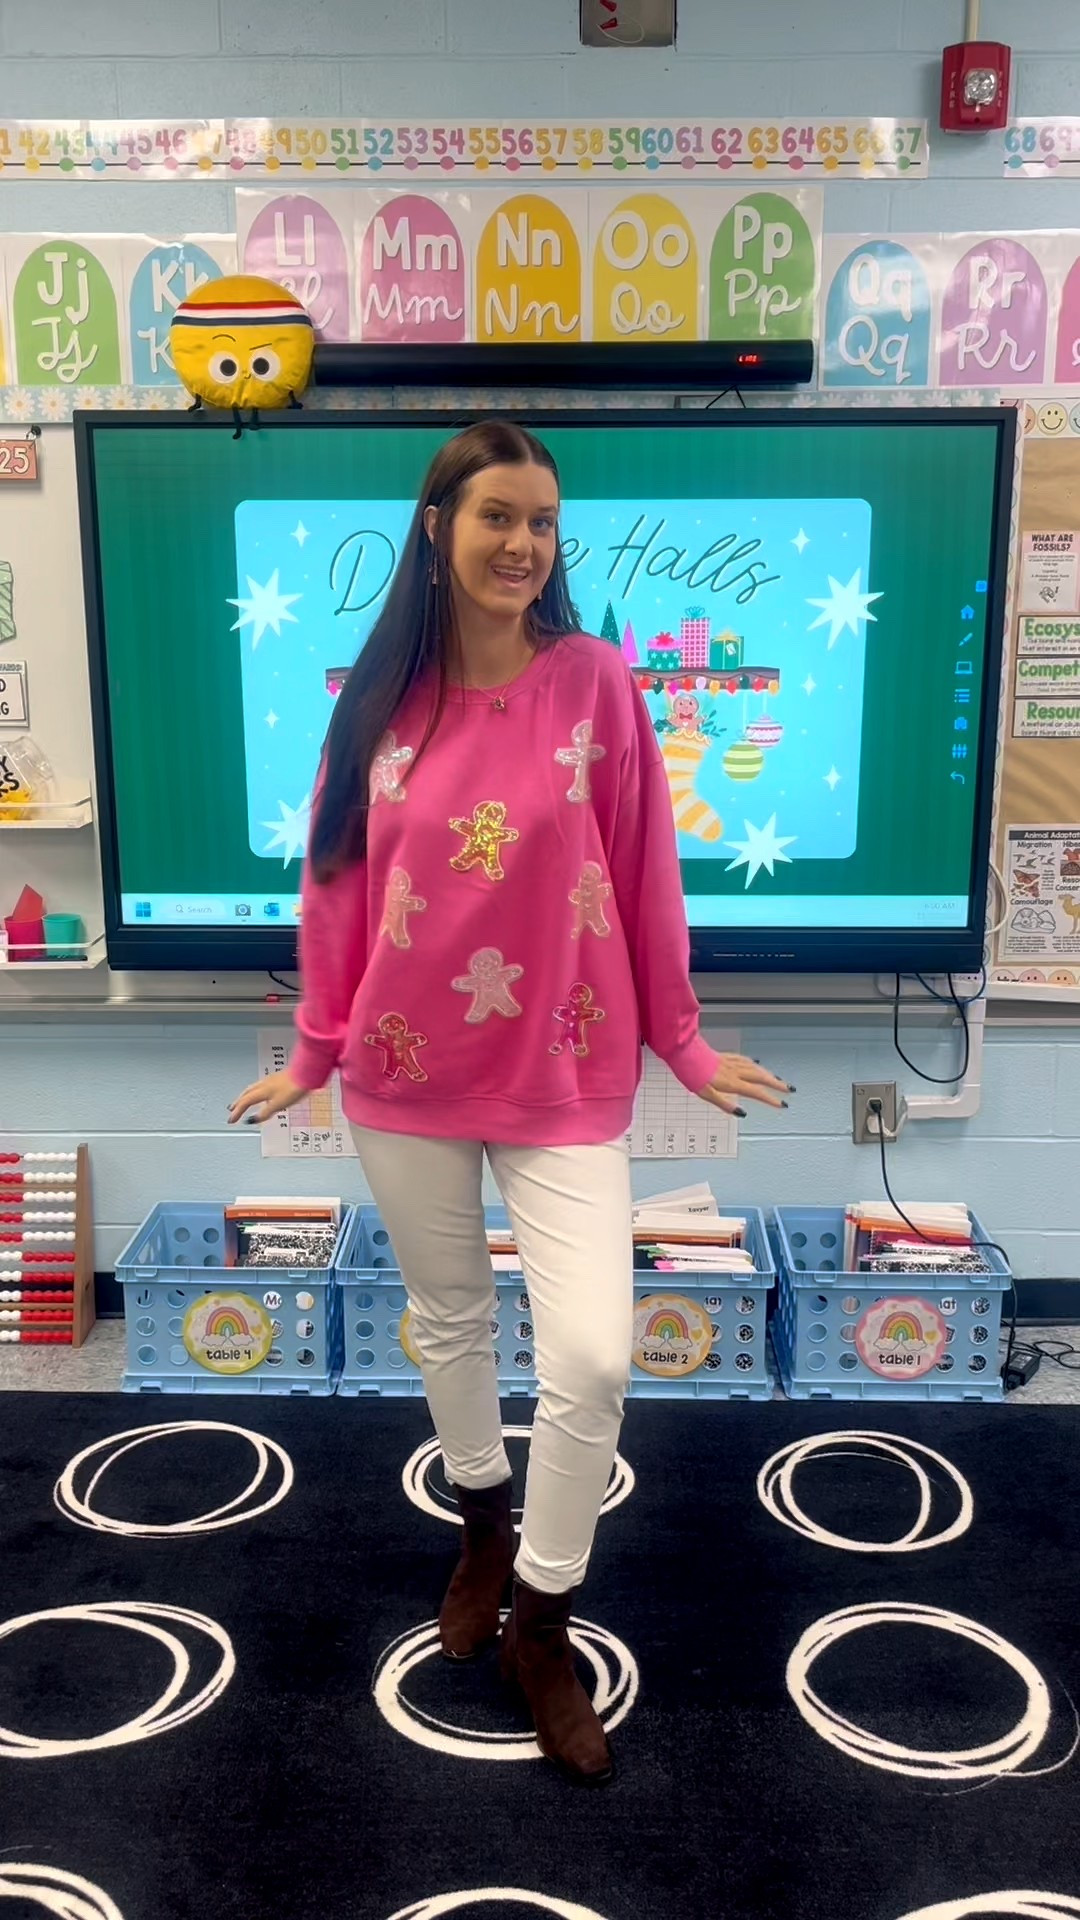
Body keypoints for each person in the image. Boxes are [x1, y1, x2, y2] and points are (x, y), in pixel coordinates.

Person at [229, 421, 791, 1787]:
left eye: (541, 520)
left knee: (593, 1357)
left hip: (561, 1073)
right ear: (438, 526)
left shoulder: (597, 686)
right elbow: (338, 893)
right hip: (403, 1077)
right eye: (496, 515)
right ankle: (481, 1520)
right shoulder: (377, 706)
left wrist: (687, 1042)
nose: (521, 543)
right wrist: (311, 1051)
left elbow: (650, 870)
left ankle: (544, 1615)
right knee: (449, 1320)